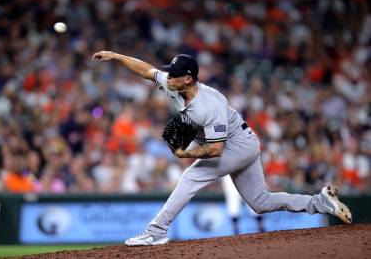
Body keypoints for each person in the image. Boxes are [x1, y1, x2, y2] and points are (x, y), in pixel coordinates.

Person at [92, 51, 352, 246]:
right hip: (241, 142)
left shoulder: (209, 104)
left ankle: (157, 230)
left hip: (237, 144)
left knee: (191, 175)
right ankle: (319, 202)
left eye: (173, 74)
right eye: (168, 72)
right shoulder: (175, 85)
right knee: (260, 202)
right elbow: (147, 71)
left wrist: (186, 154)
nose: (167, 77)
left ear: (188, 79)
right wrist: (115, 56)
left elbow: (216, 150)